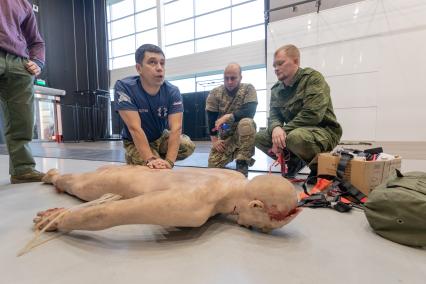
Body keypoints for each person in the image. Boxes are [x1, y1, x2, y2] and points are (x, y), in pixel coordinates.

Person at [33, 166, 302, 233]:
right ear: (255, 205)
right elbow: (111, 213)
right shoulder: (194, 207)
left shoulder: (235, 176)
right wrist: (64, 220)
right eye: (264, 226)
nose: (259, 230)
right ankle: (52, 174)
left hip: (144, 173)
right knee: (70, 182)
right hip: (118, 182)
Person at [255, 44, 342, 181]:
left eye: (280, 63)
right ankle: (294, 161)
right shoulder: (277, 89)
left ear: (296, 61)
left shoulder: (312, 79)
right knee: (260, 137)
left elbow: (313, 114)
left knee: (294, 137)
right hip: (294, 133)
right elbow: (274, 116)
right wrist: (276, 129)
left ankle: (318, 167)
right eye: (274, 65)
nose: (276, 69)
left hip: (324, 132)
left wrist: (283, 130)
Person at [114, 44, 195, 170]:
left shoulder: (172, 91)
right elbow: (134, 128)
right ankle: (136, 157)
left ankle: (158, 157)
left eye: (162, 63)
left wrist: (169, 162)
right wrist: (151, 159)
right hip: (134, 141)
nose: (159, 68)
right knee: (153, 170)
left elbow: (176, 128)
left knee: (187, 145)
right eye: (152, 62)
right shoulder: (124, 87)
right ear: (139, 68)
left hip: (159, 137)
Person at [0, 0, 46, 184]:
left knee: (24, 120)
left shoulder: (23, 3)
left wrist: (38, 62)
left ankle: (23, 169)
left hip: (19, 63)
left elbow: (36, 40)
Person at [205, 63, 258, 177]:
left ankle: (242, 161)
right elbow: (210, 119)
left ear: (240, 77)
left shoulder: (248, 89)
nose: (229, 81)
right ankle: (231, 155)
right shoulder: (215, 93)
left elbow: (250, 111)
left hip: (243, 135)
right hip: (226, 137)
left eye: (233, 78)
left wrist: (229, 116)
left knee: (247, 123)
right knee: (212, 165)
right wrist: (214, 141)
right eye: (226, 78)